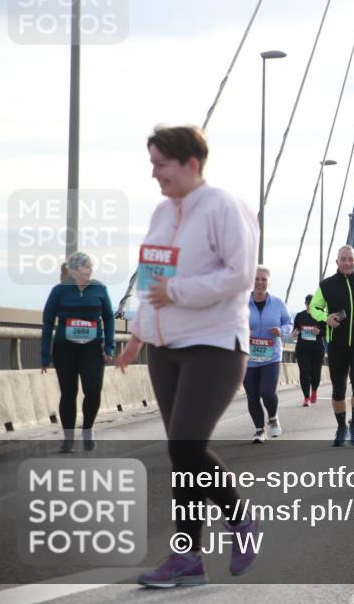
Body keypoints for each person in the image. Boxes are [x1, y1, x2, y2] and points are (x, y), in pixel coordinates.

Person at [116, 125, 261, 586]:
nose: (154, 173)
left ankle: (242, 521)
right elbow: (151, 277)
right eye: (152, 164)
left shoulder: (224, 207)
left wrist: (176, 291)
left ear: (191, 164)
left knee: (186, 446)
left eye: (161, 164)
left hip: (215, 344)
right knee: (183, 457)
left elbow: (240, 275)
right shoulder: (162, 212)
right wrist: (138, 333)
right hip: (165, 347)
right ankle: (188, 558)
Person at [41, 251, 115, 452]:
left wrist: (109, 346)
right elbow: (48, 322)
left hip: (92, 348)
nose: (91, 270)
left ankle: (88, 429)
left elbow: (109, 317)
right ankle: (67, 438)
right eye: (87, 267)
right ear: (74, 271)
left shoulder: (99, 288)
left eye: (91, 266)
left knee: (92, 390)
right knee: (68, 392)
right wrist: (44, 355)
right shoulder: (59, 291)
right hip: (65, 348)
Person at [310, 245, 354, 447]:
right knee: (338, 389)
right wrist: (325, 317)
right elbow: (314, 307)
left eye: (350, 259)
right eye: (343, 259)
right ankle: (341, 428)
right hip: (337, 344)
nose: (347, 262)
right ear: (337, 262)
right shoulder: (327, 285)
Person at [244, 266, 292, 443]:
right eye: (256, 279)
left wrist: (280, 331)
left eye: (263, 279)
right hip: (248, 357)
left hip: (271, 356)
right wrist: (242, 331)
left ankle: (272, 417)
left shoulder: (278, 304)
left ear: (269, 282)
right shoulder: (241, 303)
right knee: (252, 394)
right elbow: (230, 323)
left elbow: (289, 323)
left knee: (267, 391)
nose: (259, 282)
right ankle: (259, 430)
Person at [293, 293, 325, 407]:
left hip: (317, 349)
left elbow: (326, 332)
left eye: (311, 304)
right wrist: (295, 333)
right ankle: (306, 397)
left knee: (316, 374)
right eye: (307, 304)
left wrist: (319, 332)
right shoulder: (299, 316)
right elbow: (295, 329)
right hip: (302, 349)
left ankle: (314, 391)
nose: (309, 306)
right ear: (305, 304)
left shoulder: (320, 316)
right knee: (304, 372)